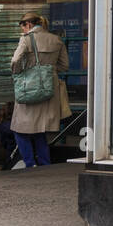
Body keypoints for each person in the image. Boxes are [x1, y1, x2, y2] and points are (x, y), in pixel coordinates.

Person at [9, 12, 69, 168]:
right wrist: (47, 71)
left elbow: (15, 60)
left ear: (28, 25)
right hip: (49, 89)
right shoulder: (56, 40)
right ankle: (44, 164)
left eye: (22, 26)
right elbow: (64, 66)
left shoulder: (26, 39)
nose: (22, 30)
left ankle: (30, 164)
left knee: (19, 129)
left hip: (29, 88)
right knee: (40, 130)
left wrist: (19, 73)